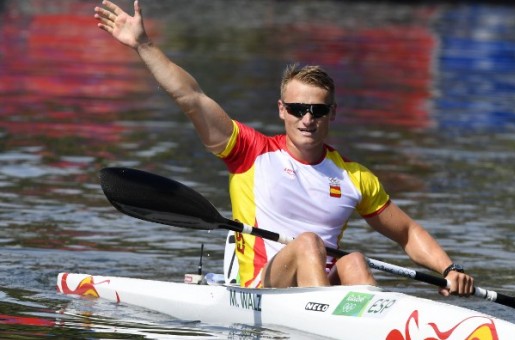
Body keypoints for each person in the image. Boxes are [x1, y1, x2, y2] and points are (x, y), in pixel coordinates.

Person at [94, 0, 474, 296]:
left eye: (317, 110)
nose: (306, 119)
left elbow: (406, 233)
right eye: (296, 109)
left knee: (354, 260)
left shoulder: (354, 177)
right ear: (282, 110)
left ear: (332, 113)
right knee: (310, 243)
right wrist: (144, 45)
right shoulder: (249, 151)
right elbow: (191, 97)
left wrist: (449, 269)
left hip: (318, 288)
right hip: (261, 290)